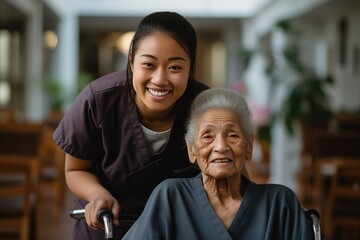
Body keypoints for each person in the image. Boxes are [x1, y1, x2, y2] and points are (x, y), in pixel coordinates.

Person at [53, 11, 210, 239]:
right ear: (131, 62)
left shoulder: (206, 107)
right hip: (108, 226)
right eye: (148, 64)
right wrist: (98, 195)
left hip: (178, 228)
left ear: (190, 69)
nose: (159, 79)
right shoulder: (97, 100)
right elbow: (76, 169)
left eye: (175, 67)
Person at [122, 88, 314, 240]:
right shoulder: (171, 196)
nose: (221, 146)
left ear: (249, 147)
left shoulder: (279, 202)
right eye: (207, 136)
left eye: (233, 135)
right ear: (192, 150)